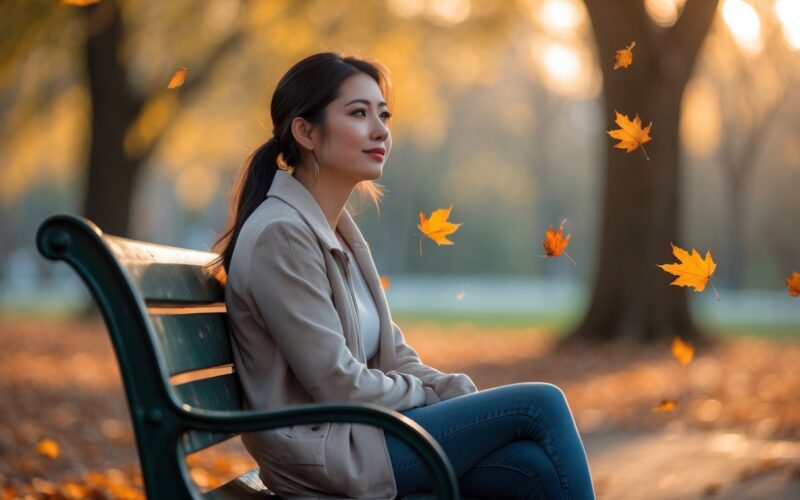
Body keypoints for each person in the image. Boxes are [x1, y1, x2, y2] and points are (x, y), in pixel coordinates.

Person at [208, 52, 596, 499]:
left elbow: (392, 355)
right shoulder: (283, 234)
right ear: (306, 132)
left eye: (383, 115)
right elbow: (337, 382)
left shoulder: (336, 231)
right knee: (540, 404)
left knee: (530, 470)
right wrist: (426, 396)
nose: (381, 131)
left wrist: (447, 388)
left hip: (363, 436)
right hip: (329, 456)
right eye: (358, 113)